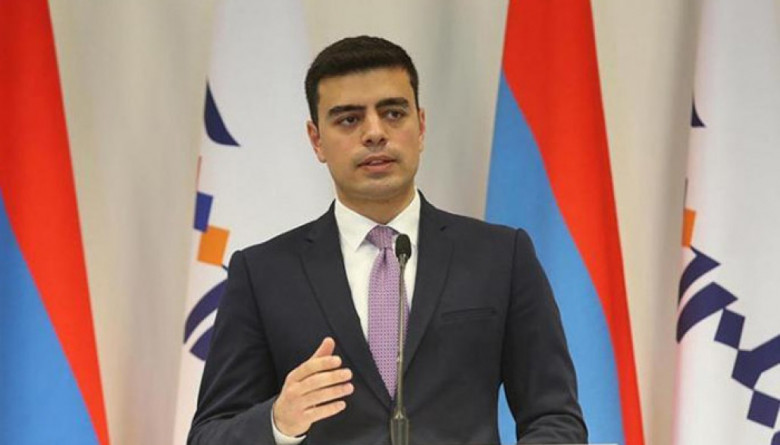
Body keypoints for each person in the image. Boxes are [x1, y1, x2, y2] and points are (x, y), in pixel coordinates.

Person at [188, 36, 586, 445]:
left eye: (393, 113)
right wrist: (278, 422)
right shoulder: (263, 273)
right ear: (316, 140)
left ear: (421, 126)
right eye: (349, 119)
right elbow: (209, 434)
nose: (375, 133)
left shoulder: (501, 257)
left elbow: (554, 418)